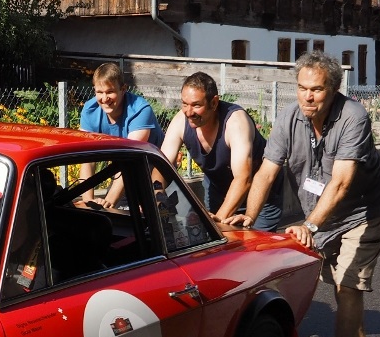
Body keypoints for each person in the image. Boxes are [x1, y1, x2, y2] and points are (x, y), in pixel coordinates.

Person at [221, 52, 380, 337]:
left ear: (333, 89)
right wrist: (249, 216)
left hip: (362, 211)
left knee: (347, 283)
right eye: (301, 88)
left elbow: (342, 183)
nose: (307, 96)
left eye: (316, 89)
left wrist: (310, 225)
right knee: (338, 285)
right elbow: (267, 170)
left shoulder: (353, 118)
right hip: (320, 212)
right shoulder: (289, 117)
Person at [161, 71, 283, 230]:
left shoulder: (236, 122)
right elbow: (161, 166)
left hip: (260, 194)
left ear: (214, 103)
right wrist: (156, 197)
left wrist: (218, 220)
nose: (189, 112)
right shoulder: (180, 121)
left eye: (196, 105)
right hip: (218, 189)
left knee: (252, 248)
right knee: (216, 245)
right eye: (184, 104)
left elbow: (243, 178)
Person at [78, 62, 164, 208]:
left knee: (155, 214)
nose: (104, 99)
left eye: (110, 92)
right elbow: (88, 160)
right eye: (100, 92)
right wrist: (89, 202)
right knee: (122, 218)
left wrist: (107, 203)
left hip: (156, 167)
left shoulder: (140, 110)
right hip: (125, 168)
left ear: (123, 89)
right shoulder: (90, 110)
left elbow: (130, 158)